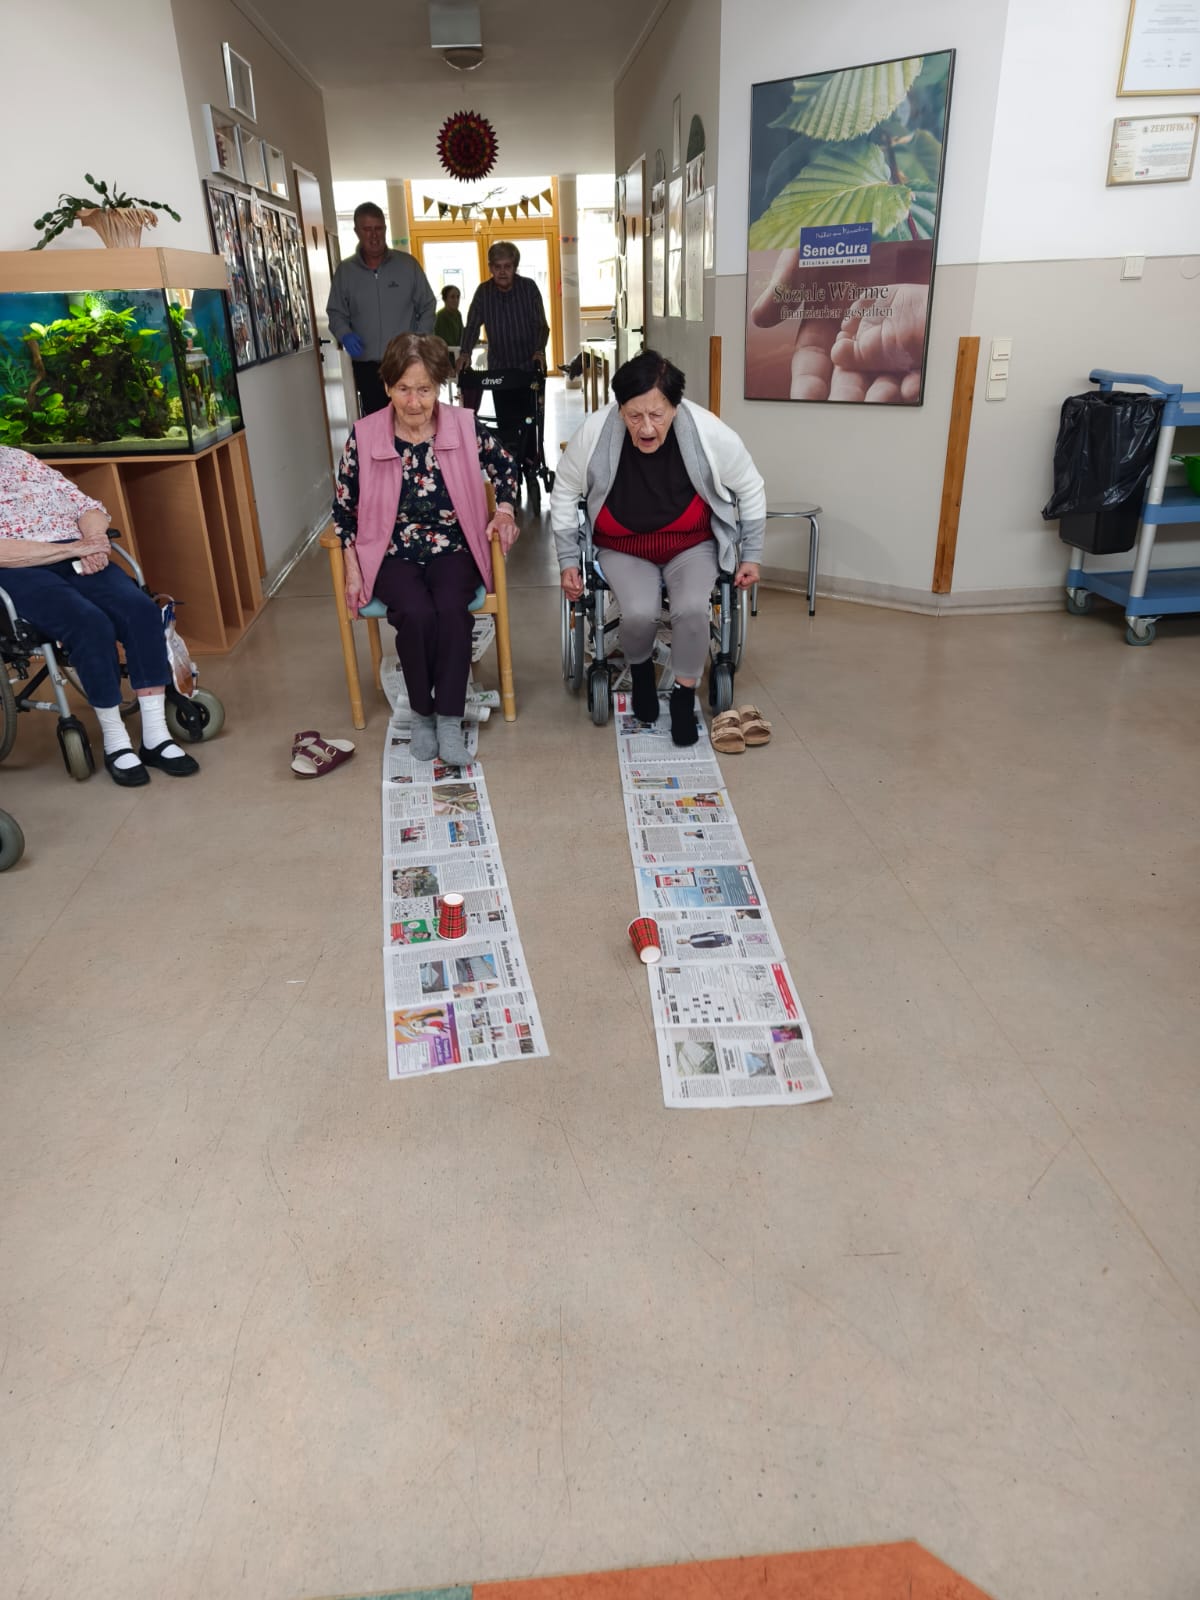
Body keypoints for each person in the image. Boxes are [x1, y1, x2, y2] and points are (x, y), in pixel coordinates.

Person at [551, 349, 765, 747]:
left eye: (657, 414)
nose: (646, 427)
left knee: (692, 609)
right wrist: (568, 559)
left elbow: (750, 486)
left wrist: (751, 554)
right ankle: (642, 676)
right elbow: (563, 491)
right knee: (638, 613)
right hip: (623, 545)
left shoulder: (707, 430)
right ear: (619, 409)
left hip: (690, 543)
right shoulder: (595, 433)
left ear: (675, 407)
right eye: (634, 416)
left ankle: (683, 697)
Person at [331, 333, 520, 767]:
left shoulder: (463, 425)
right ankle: (422, 713)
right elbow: (343, 510)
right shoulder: (364, 436)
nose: (414, 402)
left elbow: (505, 466)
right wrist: (352, 567)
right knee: (415, 614)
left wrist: (505, 510)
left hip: (454, 545)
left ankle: (449, 717)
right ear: (386, 386)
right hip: (391, 551)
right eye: (403, 389)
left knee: (451, 609)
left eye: (424, 389)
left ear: (439, 387)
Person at [0, 448, 199, 786]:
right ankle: (115, 740)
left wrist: (94, 540)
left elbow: (87, 506)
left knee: (140, 610)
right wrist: (74, 549)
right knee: (88, 623)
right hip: (19, 568)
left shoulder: (18, 459)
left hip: (79, 552)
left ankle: (156, 736)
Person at [326, 202, 437, 417]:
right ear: (357, 231)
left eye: (378, 228)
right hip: (367, 366)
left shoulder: (407, 265)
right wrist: (344, 334)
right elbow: (336, 312)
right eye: (367, 229)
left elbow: (428, 305)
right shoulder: (346, 272)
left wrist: (418, 341)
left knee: (411, 418)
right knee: (377, 422)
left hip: (406, 362)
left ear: (385, 229)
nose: (374, 235)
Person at [455, 242, 550, 440]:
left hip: (528, 367)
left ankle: (530, 455)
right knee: (505, 422)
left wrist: (539, 351)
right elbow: (472, 325)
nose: (502, 272)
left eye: (507, 266)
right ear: (490, 268)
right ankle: (508, 456)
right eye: (497, 267)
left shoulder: (529, 288)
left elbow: (541, 325)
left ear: (515, 267)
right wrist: (465, 353)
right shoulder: (483, 292)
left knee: (529, 422)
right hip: (500, 368)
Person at [433, 285, 463, 349]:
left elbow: (462, 335)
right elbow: (443, 342)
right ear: (445, 299)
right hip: (445, 352)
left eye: (458, 297)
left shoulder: (458, 314)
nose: (456, 300)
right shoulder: (441, 316)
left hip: (457, 351)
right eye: (452, 297)